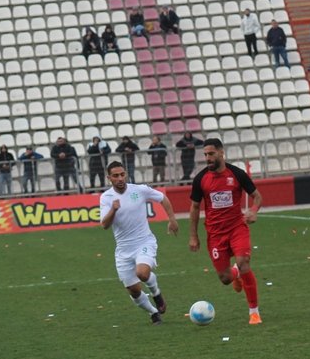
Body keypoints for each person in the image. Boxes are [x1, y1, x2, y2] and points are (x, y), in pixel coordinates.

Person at [188, 139, 264, 325]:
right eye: (205, 154)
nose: (208, 158)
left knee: (243, 262)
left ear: (221, 153)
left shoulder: (237, 174)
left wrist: (253, 211)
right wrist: (193, 235)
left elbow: (257, 196)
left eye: (211, 154)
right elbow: (195, 207)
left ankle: (254, 312)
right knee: (225, 278)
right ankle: (235, 274)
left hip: (237, 228)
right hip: (215, 234)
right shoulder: (201, 179)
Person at [100, 161, 179, 325]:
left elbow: (163, 198)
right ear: (109, 178)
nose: (120, 178)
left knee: (142, 273)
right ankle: (153, 312)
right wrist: (113, 210)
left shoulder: (139, 190)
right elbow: (105, 225)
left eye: (122, 174)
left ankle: (157, 294)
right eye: (116, 176)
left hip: (144, 242)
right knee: (133, 291)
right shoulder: (106, 197)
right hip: (123, 250)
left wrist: (172, 219)